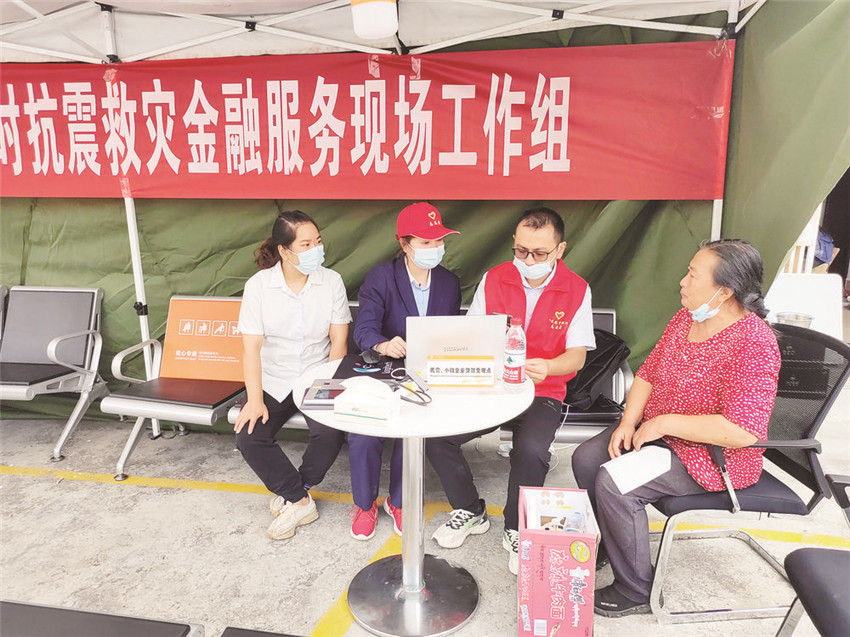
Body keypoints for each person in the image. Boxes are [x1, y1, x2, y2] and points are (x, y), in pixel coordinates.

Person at [571, 239, 781, 618]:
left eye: (693, 275)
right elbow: (648, 373)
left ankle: (636, 589)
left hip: (710, 457)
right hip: (659, 433)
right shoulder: (687, 318)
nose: (683, 282)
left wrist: (664, 423)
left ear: (725, 291)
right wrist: (628, 421)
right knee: (586, 458)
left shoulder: (753, 343)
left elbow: (742, 431)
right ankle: (615, 542)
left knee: (614, 484)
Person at [426, 207, 596, 574]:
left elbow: (577, 355)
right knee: (438, 438)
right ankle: (469, 509)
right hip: (492, 383)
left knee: (532, 451)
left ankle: (516, 528)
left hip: (543, 389)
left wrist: (549, 366)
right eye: (521, 251)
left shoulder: (576, 289)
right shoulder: (495, 278)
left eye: (539, 253)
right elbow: (473, 336)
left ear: (560, 249)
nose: (529, 261)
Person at [235, 210, 351, 540]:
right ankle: (300, 501)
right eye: (306, 244)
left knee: (330, 433)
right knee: (249, 435)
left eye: (318, 242)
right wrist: (254, 400)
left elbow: (338, 341)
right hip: (274, 377)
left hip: (318, 373)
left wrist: (328, 387)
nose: (316, 249)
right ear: (284, 251)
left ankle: (298, 487)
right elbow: (251, 349)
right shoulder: (259, 287)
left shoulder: (331, 282)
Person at [349, 202, 462, 540]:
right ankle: (364, 504)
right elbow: (364, 329)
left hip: (426, 373)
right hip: (384, 369)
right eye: (426, 242)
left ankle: (397, 501)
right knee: (364, 433)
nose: (435, 248)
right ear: (405, 244)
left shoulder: (449, 282)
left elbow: (450, 333)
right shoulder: (382, 277)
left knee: (414, 429)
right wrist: (383, 344)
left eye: (439, 241)